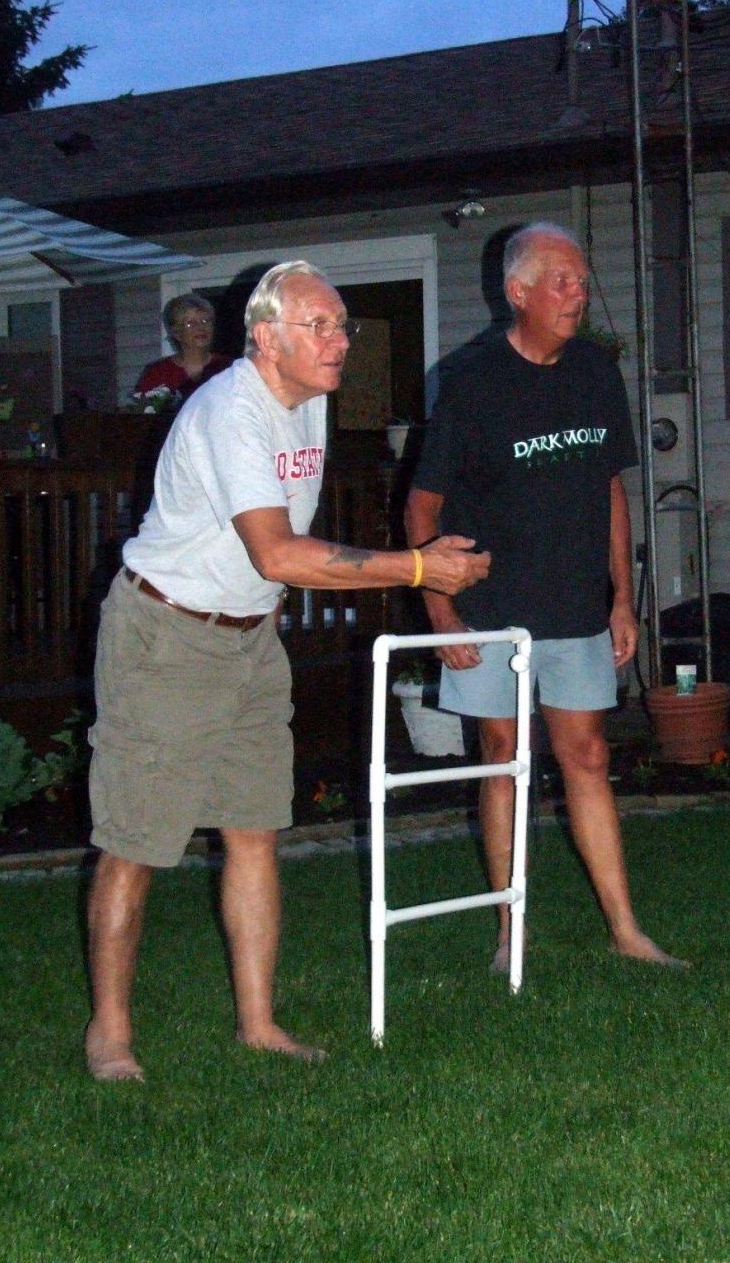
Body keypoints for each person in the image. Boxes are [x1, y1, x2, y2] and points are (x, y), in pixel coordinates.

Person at [85, 261, 489, 1082]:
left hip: (249, 638)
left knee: (255, 829)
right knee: (136, 841)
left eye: (343, 326)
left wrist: (265, 611)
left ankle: (260, 1024)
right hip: (167, 636)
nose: (340, 342)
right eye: (321, 327)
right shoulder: (230, 411)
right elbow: (278, 551)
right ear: (267, 339)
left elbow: (277, 548)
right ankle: (110, 1033)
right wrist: (417, 568)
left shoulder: (308, 400)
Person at [405, 223, 685, 973]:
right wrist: (440, 611)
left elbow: (610, 487)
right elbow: (423, 505)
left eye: (582, 281)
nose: (577, 294)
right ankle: (509, 932)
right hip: (488, 607)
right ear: (517, 292)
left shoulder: (595, 371)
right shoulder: (469, 379)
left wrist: (621, 597)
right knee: (502, 756)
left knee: (586, 755)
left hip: (574, 603)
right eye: (560, 281)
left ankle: (626, 929)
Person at [134, 293, 232, 401]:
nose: (200, 327)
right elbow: (146, 408)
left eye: (205, 321)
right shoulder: (158, 373)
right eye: (190, 323)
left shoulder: (228, 367)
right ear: (177, 333)